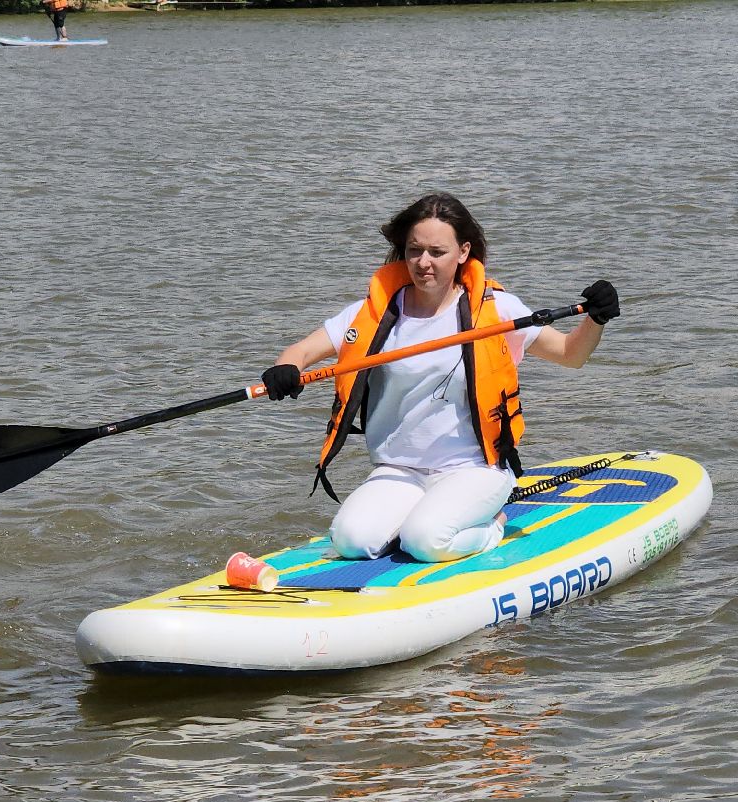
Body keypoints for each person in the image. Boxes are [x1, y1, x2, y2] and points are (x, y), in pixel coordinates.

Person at [261, 192, 619, 564]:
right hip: (399, 470)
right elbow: (301, 352)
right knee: (352, 542)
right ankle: (414, 522)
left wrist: (596, 319)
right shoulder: (374, 313)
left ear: (463, 252)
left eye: (437, 251)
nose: (423, 263)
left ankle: (491, 525)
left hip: (475, 469)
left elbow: (570, 354)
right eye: (415, 250)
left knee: (426, 542)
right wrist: (286, 369)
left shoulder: (495, 311)